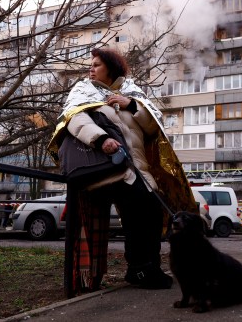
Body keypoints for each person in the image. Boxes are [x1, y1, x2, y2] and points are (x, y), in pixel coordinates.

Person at [48, 48, 196, 293]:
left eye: (97, 65)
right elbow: (74, 120)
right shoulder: (83, 91)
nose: (91, 69)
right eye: (91, 64)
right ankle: (141, 268)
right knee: (141, 209)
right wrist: (101, 139)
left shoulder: (131, 93)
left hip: (138, 168)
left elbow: (151, 129)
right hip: (108, 166)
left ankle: (146, 268)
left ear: (111, 67)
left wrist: (130, 105)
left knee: (151, 214)